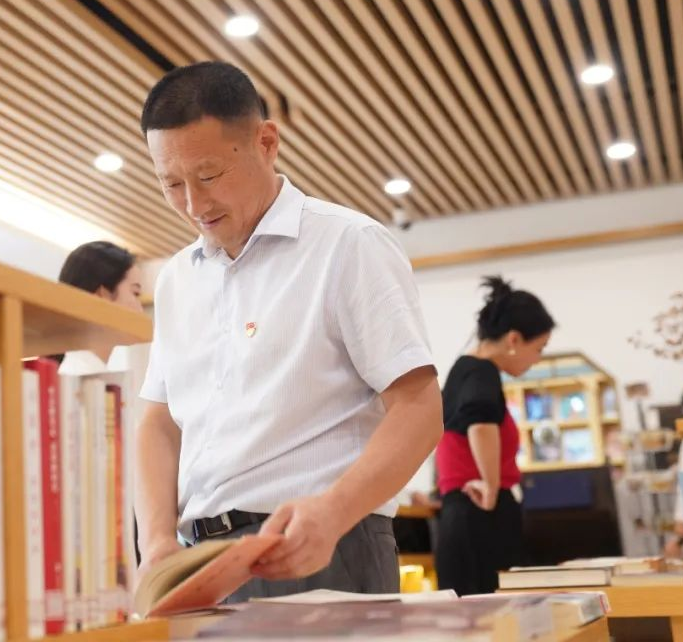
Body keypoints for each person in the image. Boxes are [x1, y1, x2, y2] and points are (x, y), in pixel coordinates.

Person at [134, 60, 442, 600]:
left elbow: (419, 409)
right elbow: (160, 422)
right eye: (172, 183)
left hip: (324, 548)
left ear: (267, 143)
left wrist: (334, 512)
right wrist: (156, 538)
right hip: (200, 562)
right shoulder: (177, 278)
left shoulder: (348, 244)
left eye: (209, 175)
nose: (193, 204)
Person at [434, 276, 555, 595]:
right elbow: (480, 422)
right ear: (514, 339)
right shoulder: (481, 370)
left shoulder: (463, 369)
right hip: (480, 513)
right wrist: (489, 485)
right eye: (538, 348)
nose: (538, 359)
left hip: (462, 513)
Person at [55, 240, 150, 579]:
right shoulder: (69, 391)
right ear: (101, 296)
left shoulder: (117, 383)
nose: (140, 309)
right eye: (134, 293)